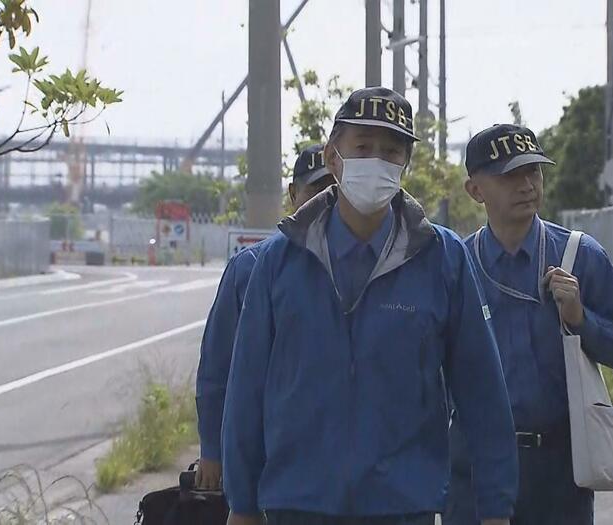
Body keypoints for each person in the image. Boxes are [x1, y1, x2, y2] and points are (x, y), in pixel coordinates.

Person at [221, 87, 518, 525]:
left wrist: (495, 508)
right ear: (333, 156)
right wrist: (242, 505)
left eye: (391, 151)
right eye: (363, 146)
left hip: (401, 505)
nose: (377, 160)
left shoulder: (442, 259)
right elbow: (246, 389)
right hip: (298, 504)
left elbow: (483, 392)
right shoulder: (279, 261)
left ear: (405, 165)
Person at [444, 124, 613, 525]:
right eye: (509, 176)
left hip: (558, 474)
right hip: (475, 471)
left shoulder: (579, 256)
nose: (526, 185)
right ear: (475, 190)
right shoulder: (456, 264)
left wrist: (581, 320)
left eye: (533, 172)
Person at [194, 143, 336, 490]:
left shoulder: (365, 270)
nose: (328, 198)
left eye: (337, 187)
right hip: (263, 451)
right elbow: (217, 367)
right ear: (293, 194)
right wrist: (212, 450)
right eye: (316, 188)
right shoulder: (252, 268)